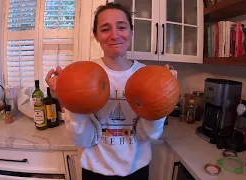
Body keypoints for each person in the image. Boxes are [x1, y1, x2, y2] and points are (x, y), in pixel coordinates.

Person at [46, 2, 169, 180]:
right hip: (95, 171)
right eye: (105, 29)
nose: (115, 35)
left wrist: (163, 96)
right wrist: (68, 97)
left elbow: (147, 135)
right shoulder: (83, 74)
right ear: (96, 36)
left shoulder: (147, 75)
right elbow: (83, 139)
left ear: (131, 32)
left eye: (122, 27)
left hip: (137, 171)